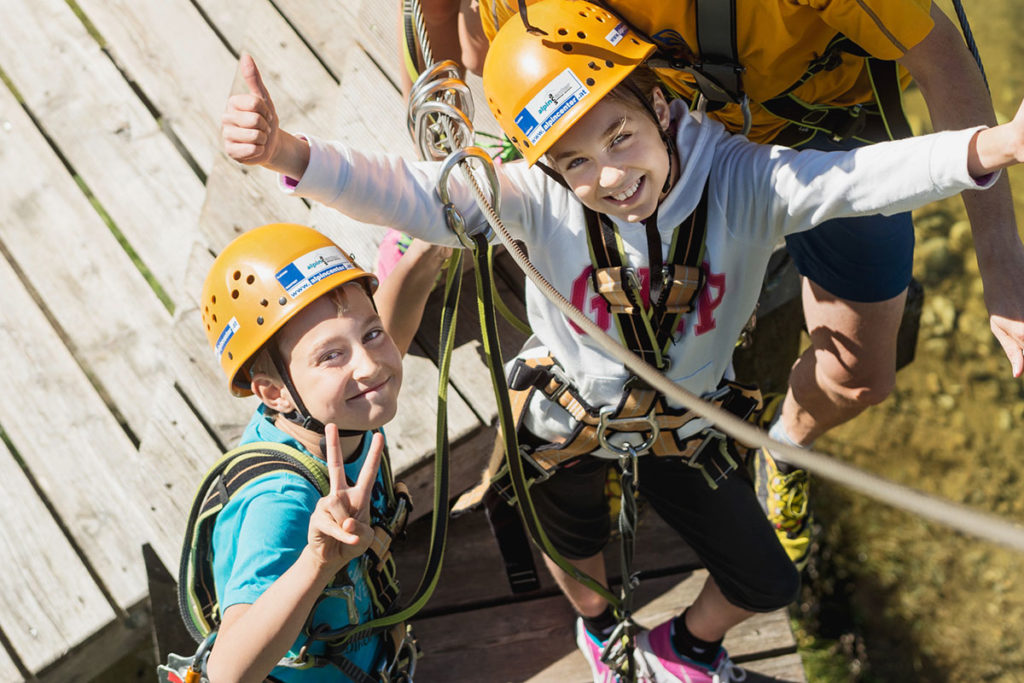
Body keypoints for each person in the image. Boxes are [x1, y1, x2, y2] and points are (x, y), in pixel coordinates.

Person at [220, 1, 1024, 679]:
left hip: (689, 424)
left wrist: (989, 147)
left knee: (765, 575)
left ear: (665, 108)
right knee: (572, 553)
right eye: (572, 161)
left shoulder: (744, 182)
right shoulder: (534, 196)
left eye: (619, 140)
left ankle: (685, 640)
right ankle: (602, 630)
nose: (607, 178)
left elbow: (854, 180)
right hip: (563, 419)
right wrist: (289, 154)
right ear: (542, 163)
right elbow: (403, 186)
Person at [473, 0, 1024, 571]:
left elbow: (941, 56)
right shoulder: (521, 7)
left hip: (815, 129)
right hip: (636, 140)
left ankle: (783, 449)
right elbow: (468, 40)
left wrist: (1002, 260)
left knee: (861, 377)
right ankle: (616, 442)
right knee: (630, 342)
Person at [196, 222, 441, 682]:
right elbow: (227, 673)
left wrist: (428, 252)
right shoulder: (283, 502)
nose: (370, 365)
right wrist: (317, 563)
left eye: (370, 335)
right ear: (273, 392)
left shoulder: (337, 409)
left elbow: (394, 331)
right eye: (331, 356)